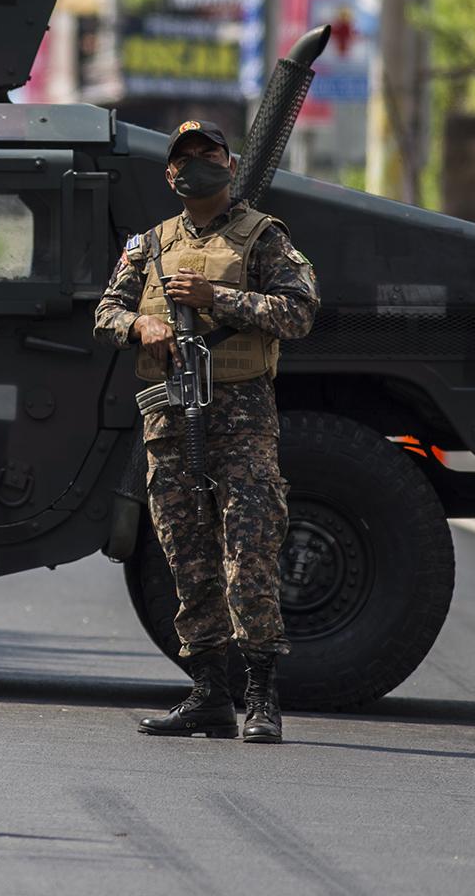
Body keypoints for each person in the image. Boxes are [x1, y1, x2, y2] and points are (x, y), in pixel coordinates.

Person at [93, 119, 319, 744]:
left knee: (250, 556)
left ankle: (262, 697)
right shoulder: (149, 244)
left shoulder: (262, 238)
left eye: (208, 153)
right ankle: (210, 695)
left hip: (241, 422)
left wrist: (218, 297)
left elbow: (299, 312)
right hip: (170, 422)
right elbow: (106, 309)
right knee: (186, 560)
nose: (196, 164)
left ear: (229, 162)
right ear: (170, 174)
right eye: (184, 157)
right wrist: (142, 326)